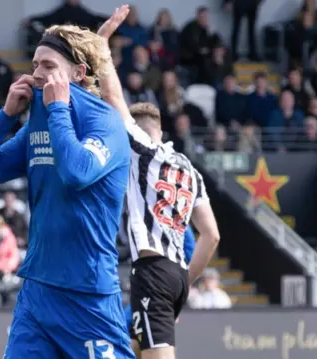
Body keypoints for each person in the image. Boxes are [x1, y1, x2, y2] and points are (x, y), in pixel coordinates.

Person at [0, 16, 134, 359]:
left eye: (48, 65)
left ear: (78, 73)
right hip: (37, 291)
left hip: (88, 294)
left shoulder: (106, 122)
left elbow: (76, 173)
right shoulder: (39, 118)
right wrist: (6, 117)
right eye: (35, 63)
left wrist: (57, 109)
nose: (37, 73)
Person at [98, 6, 221, 359]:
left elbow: (114, 98)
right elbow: (211, 235)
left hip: (151, 269)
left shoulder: (141, 151)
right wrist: (185, 281)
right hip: (179, 273)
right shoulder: (190, 169)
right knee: (129, 349)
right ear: (162, 132)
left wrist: (103, 46)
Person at [123, 225, 196, 358]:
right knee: (136, 343)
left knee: (132, 336)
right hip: (151, 279)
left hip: (155, 279)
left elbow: (192, 247)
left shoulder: (155, 208)